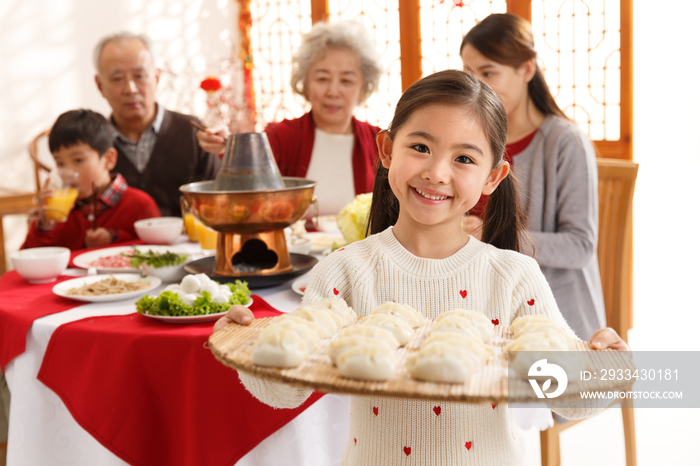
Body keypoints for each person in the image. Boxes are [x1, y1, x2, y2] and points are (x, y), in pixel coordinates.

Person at [214, 70, 629, 465]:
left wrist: (605, 367)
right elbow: (286, 388)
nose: (436, 173)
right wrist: (248, 350)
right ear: (388, 150)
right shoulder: (345, 271)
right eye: (420, 147)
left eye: (464, 158)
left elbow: (564, 397)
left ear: (493, 176)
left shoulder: (514, 277)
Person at [460, 13, 605, 341]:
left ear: (526, 69)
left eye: (488, 72)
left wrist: (493, 234)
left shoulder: (565, 142)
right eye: (469, 73)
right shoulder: (474, 139)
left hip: (552, 316)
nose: (478, 85)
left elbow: (580, 246)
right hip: (481, 306)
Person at [197, 20, 383, 216]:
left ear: (363, 88)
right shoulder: (282, 137)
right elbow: (248, 163)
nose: (333, 91)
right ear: (305, 83)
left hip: (363, 247)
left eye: (346, 81)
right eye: (322, 79)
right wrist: (226, 143)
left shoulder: (380, 142)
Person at [93, 32, 221, 217]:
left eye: (139, 75)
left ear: (157, 78)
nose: (131, 89)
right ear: (99, 85)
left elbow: (219, 200)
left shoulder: (193, 133)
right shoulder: (92, 146)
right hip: (119, 246)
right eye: (117, 78)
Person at [22, 109, 161, 250]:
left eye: (78, 160)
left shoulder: (140, 205)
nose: (68, 173)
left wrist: (115, 238)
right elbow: (27, 263)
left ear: (108, 159)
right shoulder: (59, 215)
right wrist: (43, 227)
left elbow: (159, 253)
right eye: (60, 163)